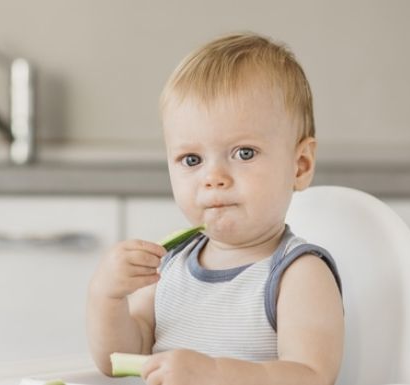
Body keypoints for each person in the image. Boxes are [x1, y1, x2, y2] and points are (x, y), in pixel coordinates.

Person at [87, 32, 344, 385]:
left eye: (244, 153)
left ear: (299, 165)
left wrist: (215, 373)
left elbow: (311, 375)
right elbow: (115, 360)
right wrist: (107, 296)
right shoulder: (169, 267)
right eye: (191, 159)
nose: (214, 177)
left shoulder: (297, 273)